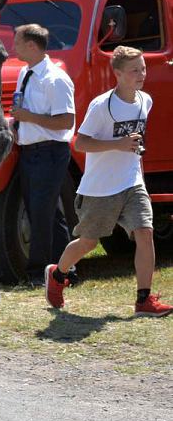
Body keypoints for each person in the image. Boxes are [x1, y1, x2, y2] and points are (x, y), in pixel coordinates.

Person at [45, 46, 171, 317]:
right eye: (134, 70)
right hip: (101, 188)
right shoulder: (102, 105)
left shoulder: (145, 100)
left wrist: (141, 179)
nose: (141, 74)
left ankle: (144, 300)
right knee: (88, 243)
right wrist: (119, 143)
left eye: (143, 68)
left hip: (132, 183)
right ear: (118, 73)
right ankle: (57, 275)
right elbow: (80, 143)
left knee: (145, 234)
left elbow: (136, 146)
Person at [10, 23, 76, 277]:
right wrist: (17, 125)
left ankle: (39, 271)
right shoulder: (24, 73)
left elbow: (65, 121)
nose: (12, 46)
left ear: (31, 45)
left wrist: (28, 117)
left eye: (16, 42)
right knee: (47, 212)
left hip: (50, 152)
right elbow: (21, 110)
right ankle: (66, 269)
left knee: (41, 212)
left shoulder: (55, 78)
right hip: (30, 152)